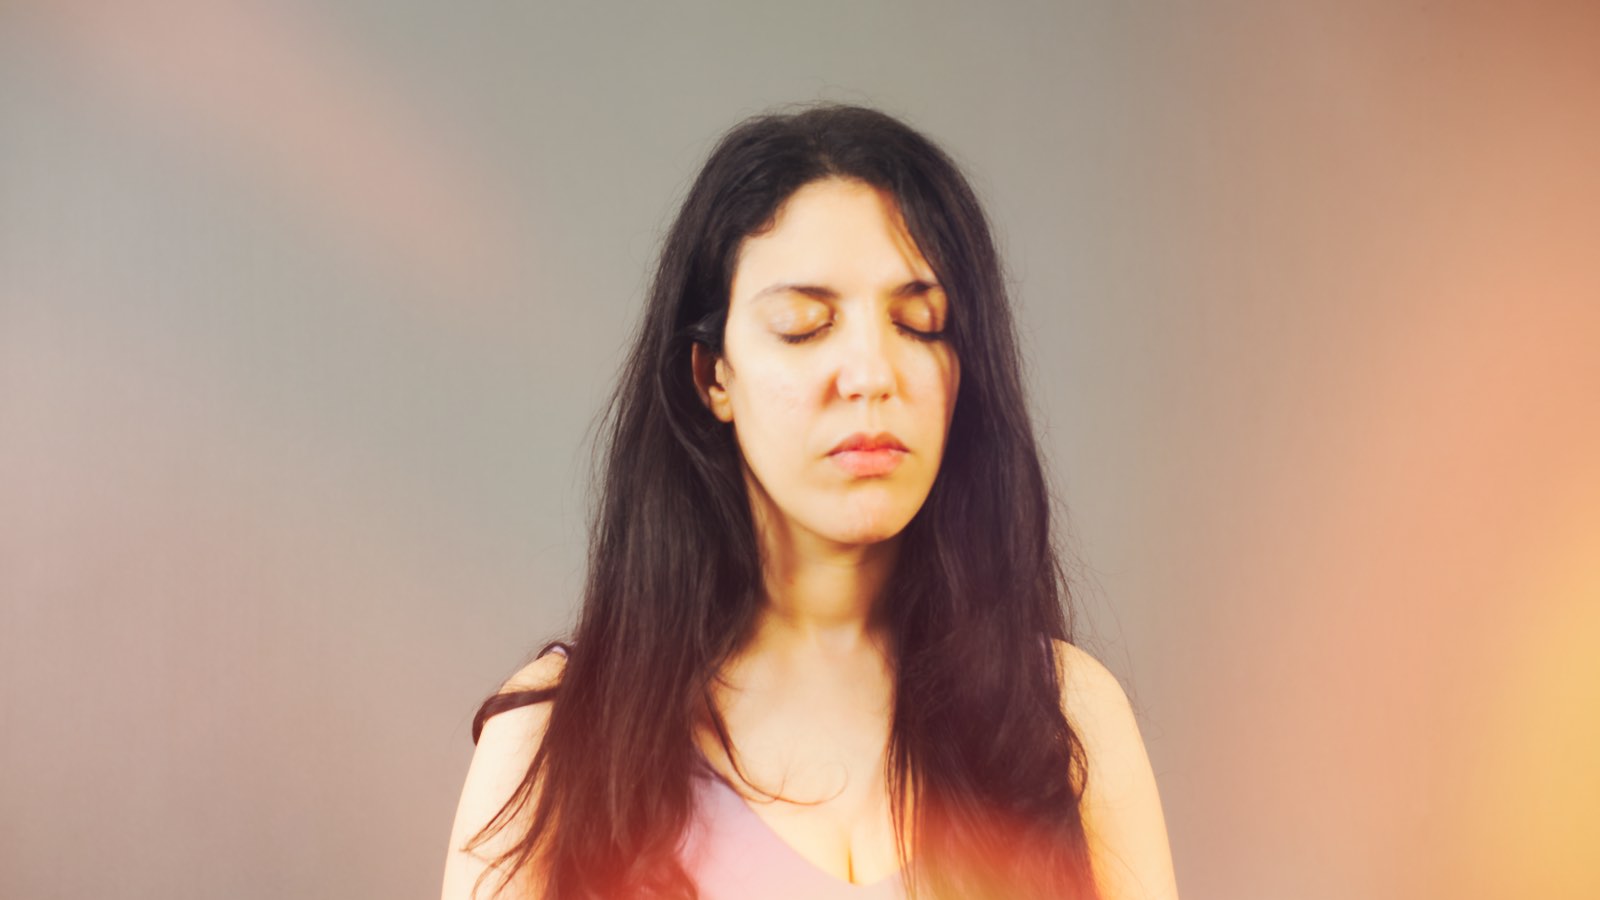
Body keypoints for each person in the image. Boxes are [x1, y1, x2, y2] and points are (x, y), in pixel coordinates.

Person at [440, 103, 1178, 900]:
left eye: (919, 323)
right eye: (804, 325)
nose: (870, 372)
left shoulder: (1065, 719)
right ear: (711, 375)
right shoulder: (554, 743)